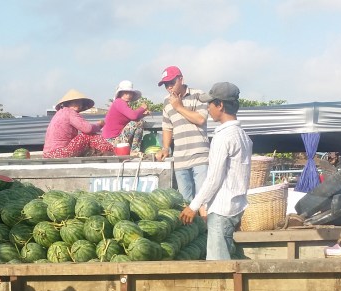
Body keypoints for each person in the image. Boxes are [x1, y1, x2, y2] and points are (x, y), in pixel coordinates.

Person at [179, 82, 252, 260]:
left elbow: (213, 179)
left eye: (210, 103)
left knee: (218, 265)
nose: (207, 108)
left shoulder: (223, 136)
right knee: (226, 259)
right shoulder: (243, 135)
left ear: (220, 105)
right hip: (235, 207)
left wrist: (193, 206)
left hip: (222, 209)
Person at [156, 66, 210, 204]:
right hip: (180, 158)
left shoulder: (198, 95)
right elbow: (167, 127)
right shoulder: (166, 101)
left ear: (181, 79)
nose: (169, 87)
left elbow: (200, 119)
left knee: (203, 200)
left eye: (171, 82)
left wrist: (179, 107)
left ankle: (204, 220)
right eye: (166, 84)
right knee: (185, 202)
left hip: (200, 156)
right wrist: (165, 148)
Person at [43, 89, 114, 158]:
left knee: (86, 137)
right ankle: (111, 150)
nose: (79, 104)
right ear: (68, 103)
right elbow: (88, 129)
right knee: (87, 136)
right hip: (59, 152)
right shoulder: (69, 112)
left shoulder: (60, 113)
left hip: (49, 153)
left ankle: (105, 150)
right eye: (75, 102)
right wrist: (99, 125)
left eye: (80, 102)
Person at [102, 80, 150, 156]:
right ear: (120, 93)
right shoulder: (119, 102)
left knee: (138, 121)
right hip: (112, 141)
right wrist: (142, 108)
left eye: (130, 93)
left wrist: (142, 115)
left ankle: (133, 150)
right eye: (126, 93)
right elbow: (133, 116)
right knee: (138, 122)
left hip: (114, 139)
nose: (128, 95)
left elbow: (130, 118)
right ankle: (134, 150)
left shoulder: (122, 104)